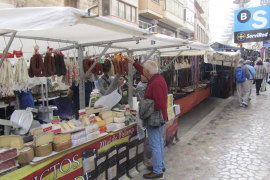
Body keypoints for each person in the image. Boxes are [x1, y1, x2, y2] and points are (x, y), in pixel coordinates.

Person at [126, 57, 167, 179]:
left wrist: (145, 106)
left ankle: (158, 170)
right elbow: (142, 70)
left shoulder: (156, 83)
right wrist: (132, 62)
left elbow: (159, 104)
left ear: (148, 71)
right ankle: (160, 165)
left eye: (144, 70)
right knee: (158, 143)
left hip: (156, 119)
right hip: (159, 117)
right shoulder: (156, 78)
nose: (142, 71)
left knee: (155, 144)